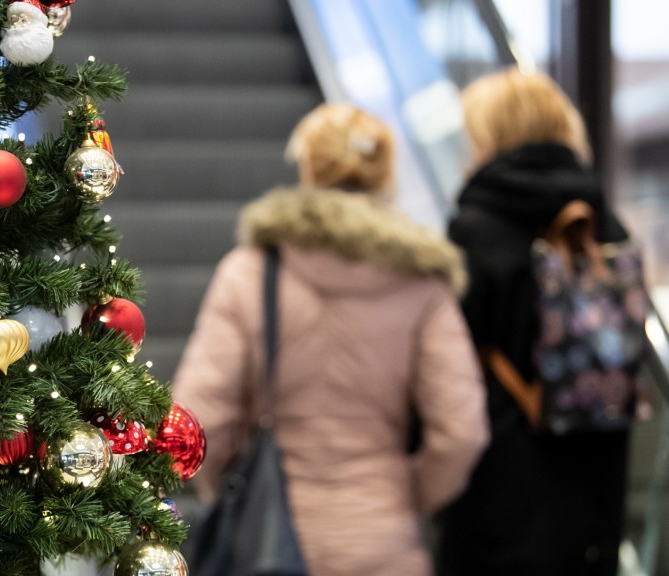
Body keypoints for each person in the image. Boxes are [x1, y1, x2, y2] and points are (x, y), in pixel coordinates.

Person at [172, 103, 489, 576]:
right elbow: (462, 433)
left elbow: (198, 416)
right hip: (383, 544)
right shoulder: (423, 285)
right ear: (385, 176)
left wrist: (233, 489)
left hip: (266, 546)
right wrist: (402, 495)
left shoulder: (250, 272)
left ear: (307, 168)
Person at [437, 69, 631, 576]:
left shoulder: (475, 230)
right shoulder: (604, 226)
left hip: (499, 491)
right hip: (597, 484)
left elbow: (446, 365)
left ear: (492, 134)